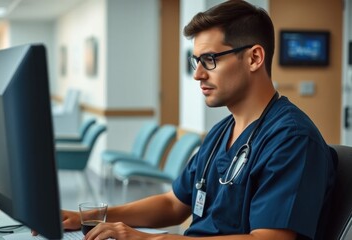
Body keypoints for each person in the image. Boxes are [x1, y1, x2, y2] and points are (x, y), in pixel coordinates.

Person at [54, 1, 337, 239]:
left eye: (210, 60)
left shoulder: (291, 139)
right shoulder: (220, 133)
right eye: (196, 61)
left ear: (254, 58)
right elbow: (173, 204)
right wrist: (89, 218)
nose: (198, 74)